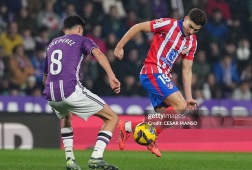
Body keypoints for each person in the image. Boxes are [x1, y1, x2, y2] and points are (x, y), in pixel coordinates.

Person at [114, 8, 207, 157]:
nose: (191, 32)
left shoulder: (192, 42)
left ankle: (127, 127)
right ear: (185, 18)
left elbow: (187, 70)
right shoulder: (168, 24)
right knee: (180, 106)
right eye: (190, 26)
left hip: (163, 76)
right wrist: (119, 46)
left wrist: (189, 96)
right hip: (152, 71)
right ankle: (151, 137)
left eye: (196, 30)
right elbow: (138, 27)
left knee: (168, 117)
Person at [42, 15, 120, 170]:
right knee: (112, 117)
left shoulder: (52, 44)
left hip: (51, 93)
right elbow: (99, 54)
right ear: (80, 29)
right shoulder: (82, 40)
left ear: (64, 30)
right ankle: (96, 158)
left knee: (66, 116)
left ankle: (70, 160)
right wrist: (112, 76)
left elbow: (46, 76)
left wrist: (54, 97)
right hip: (71, 90)